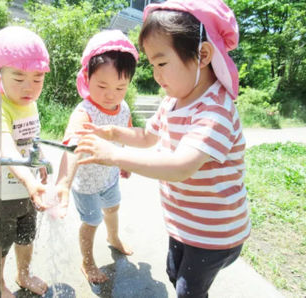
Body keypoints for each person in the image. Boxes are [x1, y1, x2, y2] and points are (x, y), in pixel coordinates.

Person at [75, 1, 251, 297]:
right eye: (152, 65)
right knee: (173, 272)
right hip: (183, 224)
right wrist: (115, 131)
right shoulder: (172, 102)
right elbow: (147, 136)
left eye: (161, 63)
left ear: (203, 54)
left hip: (215, 233)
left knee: (188, 291)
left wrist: (114, 154)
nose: (156, 75)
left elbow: (181, 166)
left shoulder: (215, 111)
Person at [54, 29, 138, 284]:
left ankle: (113, 238)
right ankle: (87, 261)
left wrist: (123, 161)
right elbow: (72, 148)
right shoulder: (85, 111)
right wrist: (64, 184)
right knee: (91, 220)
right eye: (102, 85)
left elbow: (125, 135)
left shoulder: (122, 107)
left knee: (113, 209)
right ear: (87, 78)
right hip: (86, 183)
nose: (111, 94)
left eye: (120, 87)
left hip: (110, 176)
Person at [0, 26, 50, 297]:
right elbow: (7, 143)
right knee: (0, 242)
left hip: (28, 188)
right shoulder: (0, 105)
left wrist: (41, 160)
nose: (29, 87)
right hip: (5, 192)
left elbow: (32, 138)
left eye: (37, 79)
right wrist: (28, 179)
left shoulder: (30, 103)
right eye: (20, 78)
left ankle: (23, 274)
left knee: (27, 234)